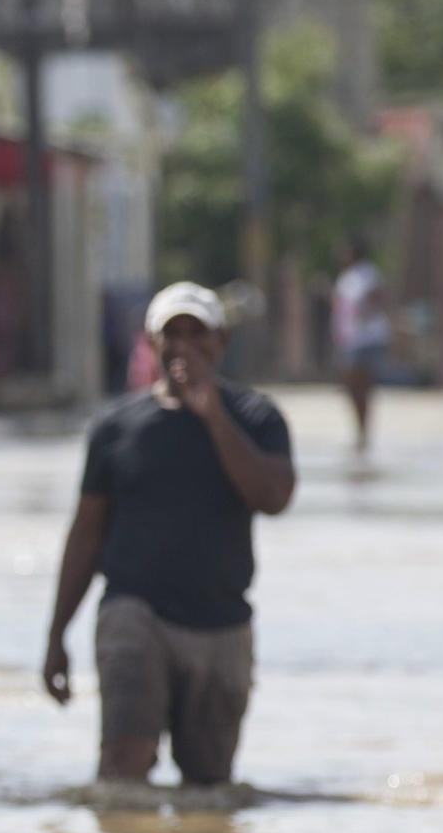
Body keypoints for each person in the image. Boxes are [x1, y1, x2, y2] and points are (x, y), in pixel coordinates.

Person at [42, 283, 295, 788]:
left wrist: (213, 415)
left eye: (195, 334)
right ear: (151, 345)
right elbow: (87, 534)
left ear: (219, 343)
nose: (183, 346)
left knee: (210, 785)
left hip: (221, 625)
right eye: (170, 334)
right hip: (135, 615)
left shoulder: (256, 418)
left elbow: (273, 497)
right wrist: (56, 635)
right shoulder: (116, 428)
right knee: (123, 768)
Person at [331, 238, 392, 453]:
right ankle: (359, 431)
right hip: (350, 340)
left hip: (368, 339)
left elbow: (379, 297)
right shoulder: (346, 278)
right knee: (352, 388)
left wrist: (365, 311)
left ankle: (364, 433)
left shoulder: (368, 273)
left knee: (363, 386)